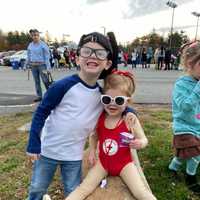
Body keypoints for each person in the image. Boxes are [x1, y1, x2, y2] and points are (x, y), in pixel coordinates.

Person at [26, 32, 135, 200]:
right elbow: (41, 112)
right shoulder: (62, 86)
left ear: (107, 63)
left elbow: (115, 105)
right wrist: (34, 142)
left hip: (73, 156)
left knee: (73, 191)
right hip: (48, 150)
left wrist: (129, 111)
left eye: (99, 53)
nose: (92, 56)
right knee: (37, 188)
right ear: (77, 59)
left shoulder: (101, 96)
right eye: (87, 51)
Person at [65, 70, 157, 200]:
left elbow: (144, 139)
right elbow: (94, 136)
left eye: (119, 100)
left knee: (141, 192)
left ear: (127, 101)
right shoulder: (100, 117)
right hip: (103, 163)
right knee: (84, 188)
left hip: (125, 164)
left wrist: (140, 143)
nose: (112, 104)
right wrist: (92, 150)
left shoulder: (130, 120)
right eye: (107, 99)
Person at [168, 41, 200, 194]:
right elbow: (186, 106)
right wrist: (198, 89)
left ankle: (173, 168)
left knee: (183, 155)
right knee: (196, 153)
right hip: (183, 127)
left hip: (197, 126)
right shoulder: (181, 85)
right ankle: (191, 178)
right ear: (189, 63)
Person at [27, 29, 51, 102]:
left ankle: (50, 95)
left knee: (45, 80)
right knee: (36, 81)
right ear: (31, 36)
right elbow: (29, 55)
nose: (35, 37)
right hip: (33, 65)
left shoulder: (43, 44)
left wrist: (48, 67)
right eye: (34, 35)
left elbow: (47, 56)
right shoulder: (30, 45)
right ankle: (39, 96)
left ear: (39, 36)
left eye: (37, 35)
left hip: (42, 65)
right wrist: (27, 64)